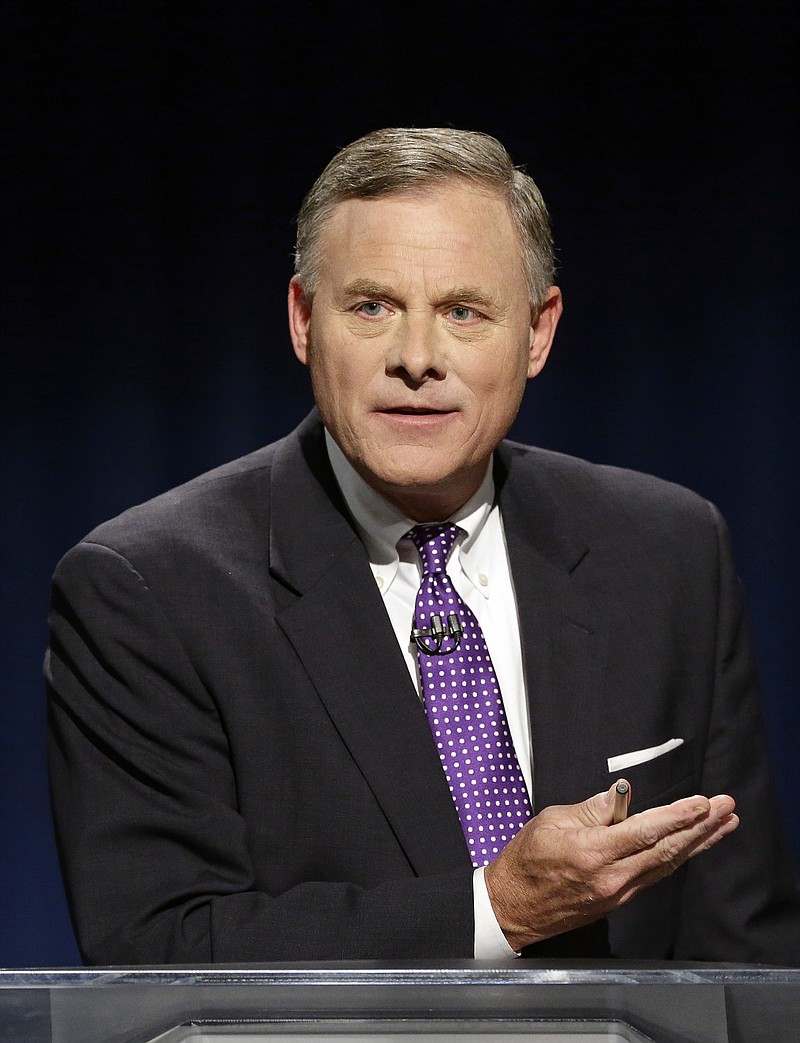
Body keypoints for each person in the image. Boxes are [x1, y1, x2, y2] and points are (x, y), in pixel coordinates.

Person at [46, 127, 800, 966]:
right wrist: (497, 908)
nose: (416, 358)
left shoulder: (668, 548)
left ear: (538, 332)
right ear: (303, 320)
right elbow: (159, 945)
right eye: (372, 306)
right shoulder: (147, 588)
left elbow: (744, 945)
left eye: (463, 312)